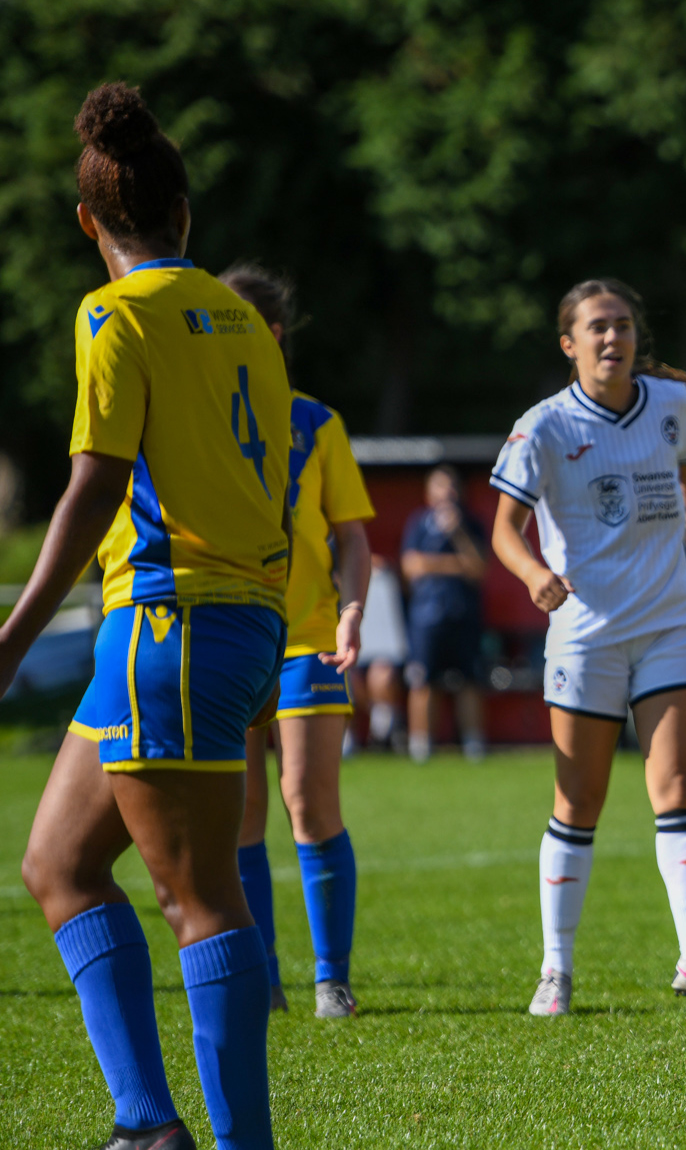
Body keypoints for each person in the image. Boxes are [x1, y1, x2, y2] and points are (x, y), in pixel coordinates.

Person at [8, 83, 291, 1150]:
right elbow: (264, 484)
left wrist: (15, 635)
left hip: (167, 625)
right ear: (186, 213)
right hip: (226, 622)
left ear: (90, 223)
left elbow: (92, 485)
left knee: (201, 899)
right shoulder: (242, 322)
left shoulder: (112, 314)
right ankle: (146, 1126)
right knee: (59, 865)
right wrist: (268, 628)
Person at [490, 278, 686, 1016]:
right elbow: (503, 527)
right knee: (579, 803)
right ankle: (556, 971)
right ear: (569, 343)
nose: (611, 338)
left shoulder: (667, 405)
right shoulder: (545, 428)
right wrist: (534, 572)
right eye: (596, 327)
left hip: (667, 623)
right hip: (588, 636)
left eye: (622, 324)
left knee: (678, 793)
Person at [222, 263, 376, 1021]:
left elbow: (352, 537)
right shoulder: (200, 416)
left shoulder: (316, 422)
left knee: (307, 804)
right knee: (242, 812)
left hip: (306, 639)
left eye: (236, 318)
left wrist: (352, 611)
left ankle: (331, 980)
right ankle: (265, 979)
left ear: (271, 334)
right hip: (225, 633)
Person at [401, 464, 488, 761]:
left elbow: (478, 568)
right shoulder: (418, 523)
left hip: (464, 612)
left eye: (451, 486)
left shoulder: (471, 524)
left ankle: (474, 747)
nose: (447, 492)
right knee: (423, 680)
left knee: (469, 680)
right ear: (428, 493)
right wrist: (455, 565)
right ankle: (420, 748)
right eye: (440, 486)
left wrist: (458, 534)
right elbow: (411, 566)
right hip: (426, 615)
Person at [356, 554, 410, 751]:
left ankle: (383, 731)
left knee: (382, 677)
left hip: (385, 647)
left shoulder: (387, 576)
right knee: (345, 679)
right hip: (352, 644)